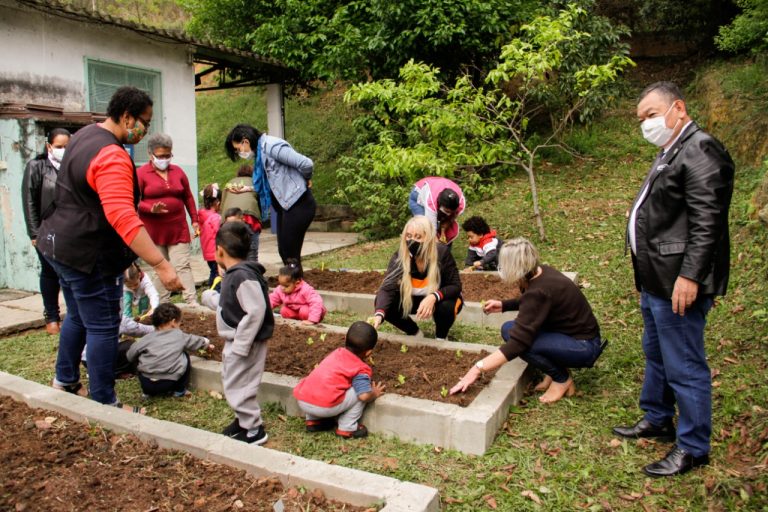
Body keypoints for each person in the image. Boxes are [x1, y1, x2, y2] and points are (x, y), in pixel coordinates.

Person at [612, 81, 735, 477]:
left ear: (677, 108)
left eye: (651, 115)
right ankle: (658, 416)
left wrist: (690, 276)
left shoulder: (700, 148)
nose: (646, 124)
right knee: (657, 352)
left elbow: (707, 222)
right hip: (656, 280)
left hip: (678, 281)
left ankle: (694, 446)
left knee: (683, 362)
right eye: (641, 119)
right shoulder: (672, 149)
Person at [37, 86, 183, 411]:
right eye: (143, 121)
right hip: (89, 255)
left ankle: (65, 380)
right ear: (127, 116)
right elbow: (122, 218)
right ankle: (105, 402)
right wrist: (161, 264)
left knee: (77, 314)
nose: (144, 129)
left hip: (58, 245)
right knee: (103, 324)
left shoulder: (86, 135)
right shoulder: (113, 156)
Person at [450, 238, 605, 404]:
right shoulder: (541, 272)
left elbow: (517, 344)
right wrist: (504, 305)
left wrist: (477, 368)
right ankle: (555, 371)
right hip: (571, 336)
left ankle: (562, 378)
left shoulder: (538, 291)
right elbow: (534, 303)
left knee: (518, 339)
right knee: (509, 329)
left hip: (583, 347)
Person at [201, 221, 274, 444]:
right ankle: (242, 421)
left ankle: (253, 430)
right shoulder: (235, 275)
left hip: (245, 342)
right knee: (233, 380)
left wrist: (242, 344)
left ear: (220, 251)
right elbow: (233, 304)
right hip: (238, 339)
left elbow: (256, 310)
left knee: (240, 384)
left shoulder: (243, 276)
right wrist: (212, 299)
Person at [225, 124, 315, 264]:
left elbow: (306, 164)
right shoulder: (260, 155)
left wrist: (305, 179)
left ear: (245, 141)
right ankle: (293, 284)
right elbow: (270, 184)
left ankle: (296, 285)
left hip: (299, 204)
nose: (239, 153)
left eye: (238, 149)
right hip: (285, 207)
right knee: (284, 251)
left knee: (290, 253)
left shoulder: (272, 147)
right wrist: (247, 189)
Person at [371, 216, 463, 340]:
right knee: (382, 303)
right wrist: (379, 314)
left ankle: (441, 336)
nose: (412, 240)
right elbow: (387, 289)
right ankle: (414, 332)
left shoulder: (442, 254)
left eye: (418, 237)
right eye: (408, 236)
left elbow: (455, 286)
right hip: (413, 301)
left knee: (446, 306)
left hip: (437, 301)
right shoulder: (400, 257)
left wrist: (434, 296)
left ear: (428, 238)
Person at [293, 321, 385, 439]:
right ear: (368, 353)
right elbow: (364, 396)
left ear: (345, 338)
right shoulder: (361, 368)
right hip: (324, 407)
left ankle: (313, 421)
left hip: (303, 399)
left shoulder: (336, 353)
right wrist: (374, 393)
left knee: (321, 381)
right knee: (361, 390)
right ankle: (347, 427)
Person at [137, 132, 199, 305]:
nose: (165, 159)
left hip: (178, 228)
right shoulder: (141, 174)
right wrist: (150, 208)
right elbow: (135, 201)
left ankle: (192, 302)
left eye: (168, 155)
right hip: (154, 232)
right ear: (151, 155)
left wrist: (194, 220)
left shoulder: (177, 171)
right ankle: (160, 305)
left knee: (182, 265)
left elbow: (188, 197)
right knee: (160, 269)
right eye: (161, 156)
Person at [21, 127, 71, 335]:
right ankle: (51, 316)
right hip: (45, 230)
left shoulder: (73, 166)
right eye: (59, 147)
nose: (63, 150)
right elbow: (29, 200)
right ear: (49, 146)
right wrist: (34, 233)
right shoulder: (37, 166)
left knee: (69, 273)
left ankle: (73, 315)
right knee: (50, 272)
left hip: (70, 229)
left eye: (67, 147)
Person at [126, 303, 213, 398]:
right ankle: (179, 391)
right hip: (169, 382)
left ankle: (147, 394)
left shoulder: (146, 338)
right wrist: (208, 344)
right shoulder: (179, 335)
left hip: (146, 384)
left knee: (139, 354)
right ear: (173, 322)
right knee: (184, 355)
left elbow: (130, 355)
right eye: (179, 322)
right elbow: (197, 341)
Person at [220, 164, 262, 261]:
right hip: (249, 218)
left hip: (229, 221)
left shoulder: (229, 183)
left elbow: (222, 206)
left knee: (232, 255)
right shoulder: (255, 182)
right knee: (252, 255)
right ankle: (251, 275)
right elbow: (261, 204)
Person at [409, 176, 466, 245]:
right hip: (418, 195)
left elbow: (451, 218)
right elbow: (431, 230)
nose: (448, 214)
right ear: (439, 204)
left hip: (437, 185)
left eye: (451, 212)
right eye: (447, 211)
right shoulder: (431, 203)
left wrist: (444, 228)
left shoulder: (460, 202)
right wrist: (439, 248)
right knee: (424, 227)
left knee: (446, 228)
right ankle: (421, 250)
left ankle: (444, 246)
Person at [269, 259, 327, 325]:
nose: (282, 288)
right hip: (295, 311)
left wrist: (312, 319)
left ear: (297, 283)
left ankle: (309, 321)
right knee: (284, 310)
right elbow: (272, 300)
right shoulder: (280, 289)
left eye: (286, 286)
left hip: (310, 312)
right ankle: (296, 322)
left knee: (304, 311)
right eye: (281, 284)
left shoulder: (305, 289)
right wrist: (264, 310)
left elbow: (316, 302)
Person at [120, 262, 159, 337]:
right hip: (127, 293)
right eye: (129, 286)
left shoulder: (145, 280)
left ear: (139, 275)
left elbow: (153, 294)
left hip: (142, 295)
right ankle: (128, 326)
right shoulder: (122, 282)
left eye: (135, 284)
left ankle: (143, 324)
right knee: (126, 303)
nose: (133, 287)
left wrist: (154, 308)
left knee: (144, 307)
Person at [199, 183, 222, 286]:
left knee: (213, 271)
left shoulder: (201, 215)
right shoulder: (215, 217)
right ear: (217, 202)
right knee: (217, 273)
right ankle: (214, 290)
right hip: (215, 252)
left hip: (207, 252)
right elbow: (219, 233)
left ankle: (211, 288)